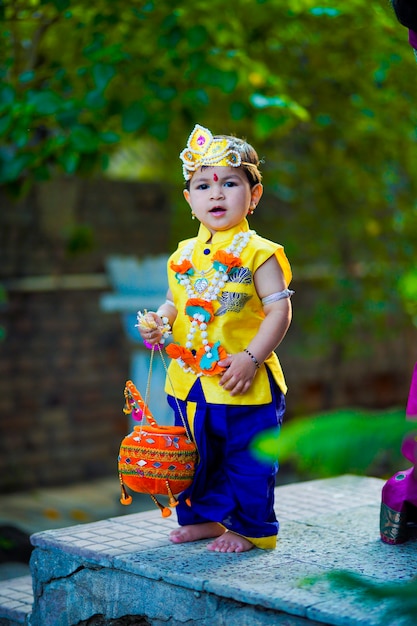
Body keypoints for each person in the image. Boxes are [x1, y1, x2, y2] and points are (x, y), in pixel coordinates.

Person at [137, 124, 293, 553]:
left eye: (230, 183)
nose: (216, 194)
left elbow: (279, 310)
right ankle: (204, 518)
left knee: (248, 462)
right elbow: (174, 303)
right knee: (195, 460)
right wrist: (159, 321)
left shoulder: (258, 253)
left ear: (254, 195)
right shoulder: (181, 254)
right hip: (189, 384)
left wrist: (251, 357)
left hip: (243, 380)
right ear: (189, 199)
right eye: (203, 185)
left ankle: (249, 528)